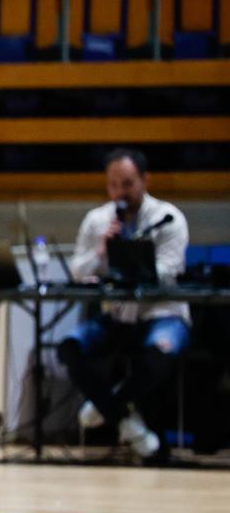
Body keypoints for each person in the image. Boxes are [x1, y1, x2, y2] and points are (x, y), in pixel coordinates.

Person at [59, 148, 190, 458]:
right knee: (70, 347)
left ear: (145, 180)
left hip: (162, 314)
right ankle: (125, 419)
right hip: (118, 317)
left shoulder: (168, 218)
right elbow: (78, 270)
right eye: (114, 184)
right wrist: (102, 250)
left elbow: (168, 271)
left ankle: (110, 402)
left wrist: (131, 264)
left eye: (128, 184)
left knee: (162, 349)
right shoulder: (97, 221)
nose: (120, 192)